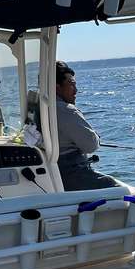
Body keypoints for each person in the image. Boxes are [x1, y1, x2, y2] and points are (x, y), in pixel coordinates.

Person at [54, 61, 117, 190]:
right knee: (114, 186)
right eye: (71, 84)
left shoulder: (41, 106)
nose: (76, 90)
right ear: (56, 87)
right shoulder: (65, 110)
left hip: (56, 172)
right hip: (70, 174)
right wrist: (96, 137)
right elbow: (90, 145)